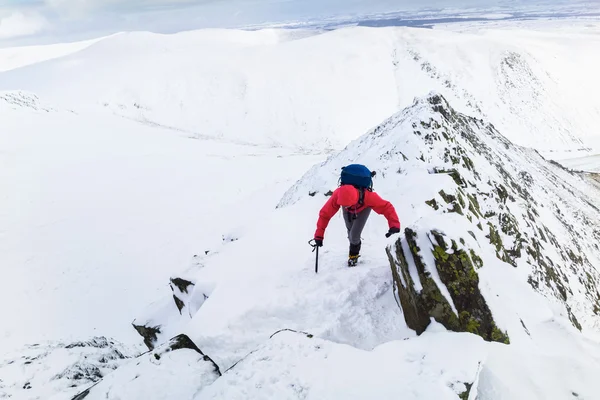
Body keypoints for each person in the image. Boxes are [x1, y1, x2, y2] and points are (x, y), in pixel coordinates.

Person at [313, 164, 401, 266]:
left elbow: (386, 207)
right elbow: (325, 214)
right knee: (350, 232)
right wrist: (319, 235)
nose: (344, 207)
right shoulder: (338, 194)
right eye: (343, 205)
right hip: (350, 207)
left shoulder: (368, 197)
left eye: (347, 205)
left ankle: (353, 256)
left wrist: (394, 225)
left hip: (364, 207)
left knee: (354, 235)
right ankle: (353, 249)